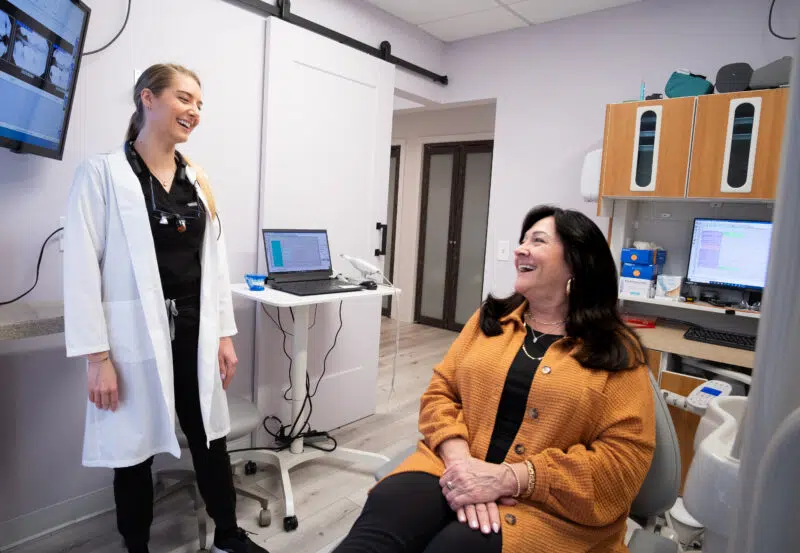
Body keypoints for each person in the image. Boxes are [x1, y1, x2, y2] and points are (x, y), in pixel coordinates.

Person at [334, 205, 656, 553]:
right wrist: (464, 469)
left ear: (576, 262)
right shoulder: (491, 320)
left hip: (545, 509)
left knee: (457, 546)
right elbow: (440, 392)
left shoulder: (615, 352)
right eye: (522, 240)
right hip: (447, 467)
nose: (520, 249)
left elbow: (623, 464)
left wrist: (507, 479)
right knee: (381, 525)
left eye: (538, 240)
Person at [63, 63, 268, 553]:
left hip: (195, 329)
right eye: (184, 98)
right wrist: (97, 358)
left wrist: (223, 333)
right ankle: (137, 547)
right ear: (147, 99)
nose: (194, 111)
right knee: (132, 452)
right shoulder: (103, 174)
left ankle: (228, 535)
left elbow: (213, 260)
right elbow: (80, 270)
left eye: (199, 103)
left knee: (209, 435)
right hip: (134, 336)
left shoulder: (195, 178)